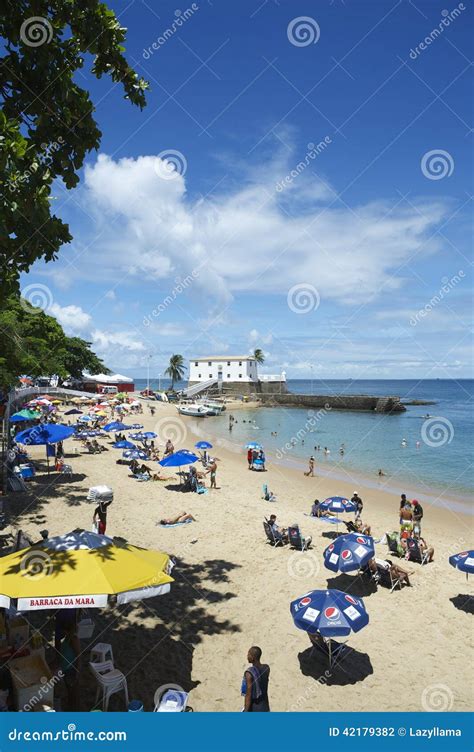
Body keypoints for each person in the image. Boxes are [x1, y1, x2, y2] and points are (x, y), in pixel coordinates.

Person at [60, 621, 80, 710]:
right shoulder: (67, 638)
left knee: (72, 691)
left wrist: (77, 671)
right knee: (69, 689)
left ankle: (73, 708)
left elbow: (79, 656)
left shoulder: (73, 639)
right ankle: (70, 705)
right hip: (65, 668)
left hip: (71, 669)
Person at [242, 646, 270, 712]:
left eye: (248, 654)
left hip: (254, 707)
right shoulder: (266, 668)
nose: (247, 656)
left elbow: (248, 695)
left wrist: (246, 710)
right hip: (265, 706)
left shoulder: (249, 673)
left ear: (252, 658)